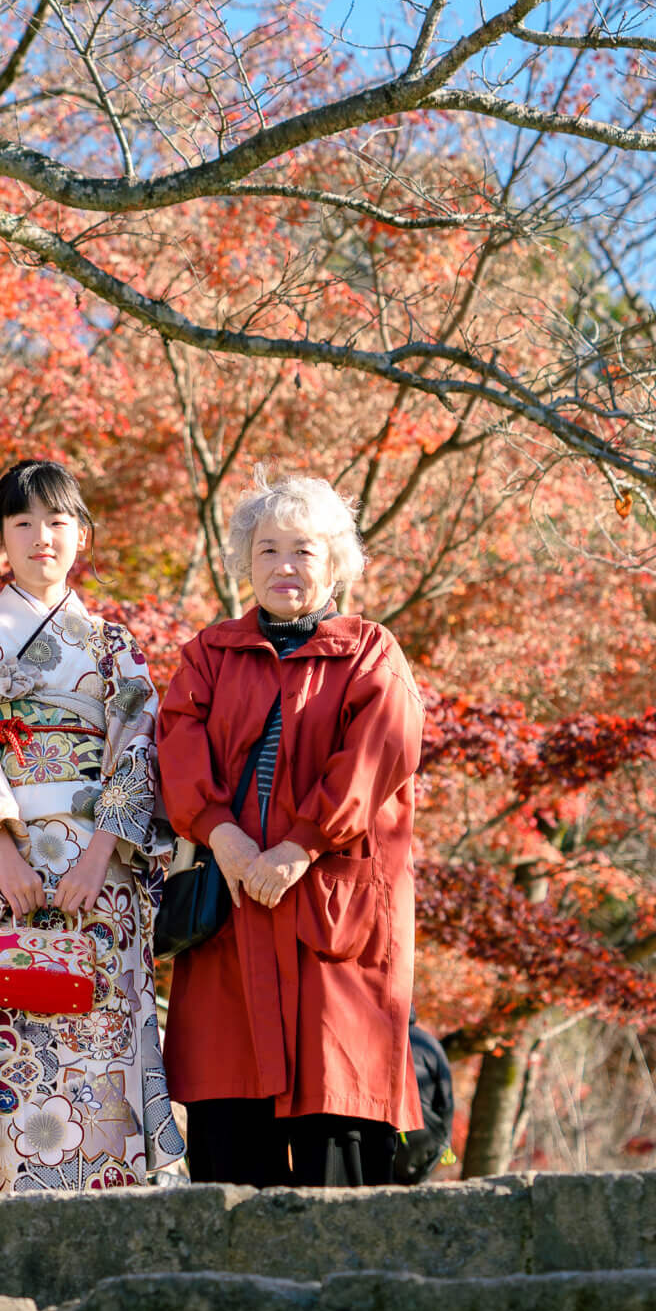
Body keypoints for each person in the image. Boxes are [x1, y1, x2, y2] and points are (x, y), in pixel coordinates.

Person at [0, 458, 187, 1192]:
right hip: (0, 873)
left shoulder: (113, 644)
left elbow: (138, 750)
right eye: (23, 522)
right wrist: (2, 849)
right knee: (12, 1028)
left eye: (58, 520)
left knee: (102, 1029)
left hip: (99, 873)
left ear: (82, 535)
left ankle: (107, 1187)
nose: (42, 536)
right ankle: (4, 1193)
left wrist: (99, 855)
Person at [157, 473, 426, 1187]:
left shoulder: (371, 653)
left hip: (332, 923)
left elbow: (375, 759)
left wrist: (299, 847)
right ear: (245, 563)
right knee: (228, 1139)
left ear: (336, 563)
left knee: (336, 1129)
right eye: (267, 549)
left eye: (303, 550)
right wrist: (225, 838)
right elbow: (177, 748)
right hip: (232, 912)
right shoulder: (209, 654)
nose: (284, 565)